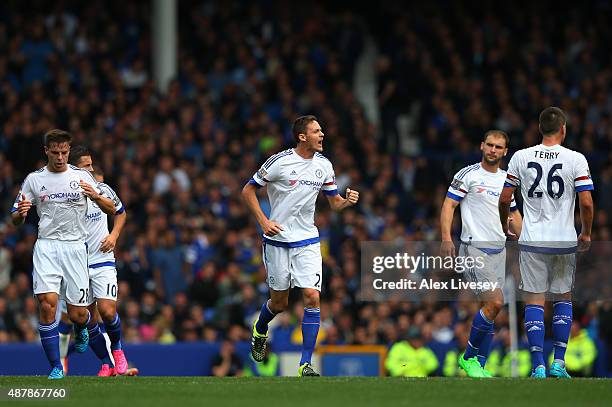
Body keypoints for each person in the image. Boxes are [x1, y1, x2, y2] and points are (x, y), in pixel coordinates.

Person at [242, 115, 359, 376]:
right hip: (277, 240)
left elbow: (334, 203)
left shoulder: (324, 166)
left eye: (322, 131)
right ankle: (261, 328)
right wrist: (263, 221)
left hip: (307, 240)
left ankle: (305, 363)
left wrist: (347, 201)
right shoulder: (280, 162)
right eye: (317, 131)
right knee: (279, 303)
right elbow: (247, 190)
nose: (322, 135)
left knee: (312, 297)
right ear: (302, 137)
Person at [11, 130, 115, 379]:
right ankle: (56, 366)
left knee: (80, 315)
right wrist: (20, 214)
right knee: (47, 305)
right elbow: (15, 217)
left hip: (76, 248)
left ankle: (87, 335)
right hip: (47, 247)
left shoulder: (82, 176)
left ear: (69, 151)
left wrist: (96, 197)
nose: (60, 157)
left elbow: (111, 208)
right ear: (46, 151)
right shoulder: (34, 180)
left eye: (64, 152)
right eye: (55, 152)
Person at [500, 107, 594, 378]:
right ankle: (558, 363)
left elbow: (505, 198)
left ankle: (538, 365)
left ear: (540, 129)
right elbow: (586, 202)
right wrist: (586, 232)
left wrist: (505, 223)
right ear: (563, 129)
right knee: (563, 298)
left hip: (532, 241)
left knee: (534, 301)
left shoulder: (520, 156)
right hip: (564, 241)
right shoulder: (575, 159)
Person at [440, 130, 522, 378]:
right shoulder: (468, 175)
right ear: (481, 146)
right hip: (474, 248)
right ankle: (468, 359)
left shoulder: (507, 180)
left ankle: (480, 366)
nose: (493, 150)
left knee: (490, 309)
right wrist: (446, 238)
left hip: (498, 251)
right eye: (490, 145)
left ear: (505, 151)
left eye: (499, 147)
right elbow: (449, 205)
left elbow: (514, 214)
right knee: (496, 302)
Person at [57, 146, 129, 376]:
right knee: (85, 319)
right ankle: (106, 363)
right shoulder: (62, 197)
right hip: (76, 264)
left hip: (102, 259)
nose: (91, 168)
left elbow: (120, 211)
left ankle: (117, 351)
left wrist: (114, 235)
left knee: (107, 312)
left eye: (91, 164)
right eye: (86, 165)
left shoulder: (102, 188)